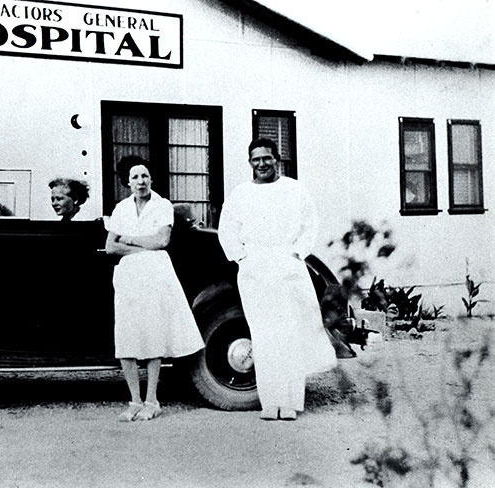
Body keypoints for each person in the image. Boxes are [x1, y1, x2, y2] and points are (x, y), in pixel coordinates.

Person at [217, 138, 337, 421]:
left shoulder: (294, 190)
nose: (261, 164)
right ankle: (270, 403)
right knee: (265, 335)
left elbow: (310, 224)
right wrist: (242, 257)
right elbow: (227, 229)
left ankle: (292, 402)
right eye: (256, 159)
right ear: (250, 163)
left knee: (290, 334)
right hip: (255, 270)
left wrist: (295, 254)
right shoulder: (240, 193)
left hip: (287, 267)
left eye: (267, 158)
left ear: (277, 159)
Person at [105, 155, 205, 422]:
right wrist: (138, 244)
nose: (141, 181)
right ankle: (134, 401)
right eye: (135, 177)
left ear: (151, 179)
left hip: (155, 275)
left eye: (145, 176)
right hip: (128, 276)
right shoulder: (121, 209)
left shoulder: (162, 206)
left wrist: (127, 238)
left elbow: (161, 241)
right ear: (127, 182)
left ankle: (152, 400)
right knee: (126, 336)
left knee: (152, 335)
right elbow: (110, 246)